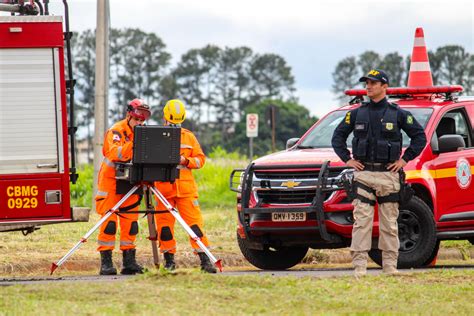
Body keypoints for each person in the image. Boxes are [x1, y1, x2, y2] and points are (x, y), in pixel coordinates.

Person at [331, 69, 427, 277]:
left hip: (388, 176)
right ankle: (359, 268)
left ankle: (390, 267)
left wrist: (404, 160)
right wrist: (348, 160)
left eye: (373, 83)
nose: (368, 87)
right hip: (363, 174)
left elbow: (420, 137)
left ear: (385, 87)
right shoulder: (356, 113)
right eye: (367, 83)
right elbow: (337, 138)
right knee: (362, 222)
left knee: (389, 224)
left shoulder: (399, 114)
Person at [154, 99, 216, 273]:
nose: (175, 127)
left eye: (178, 124)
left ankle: (205, 260)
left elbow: (200, 159)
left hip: (186, 191)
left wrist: (186, 160)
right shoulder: (155, 136)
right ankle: (169, 262)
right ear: (165, 118)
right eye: (172, 123)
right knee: (165, 228)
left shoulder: (189, 136)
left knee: (195, 226)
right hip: (163, 190)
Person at [95, 98, 151, 275]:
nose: (139, 123)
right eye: (137, 120)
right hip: (111, 181)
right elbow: (113, 153)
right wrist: (134, 144)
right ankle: (106, 262)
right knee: (109, 222)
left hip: (131, 182)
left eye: (142, 121)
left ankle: (129, 262)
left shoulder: (145, 134)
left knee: (130, 223)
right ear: (129, 116)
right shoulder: (116, 131)